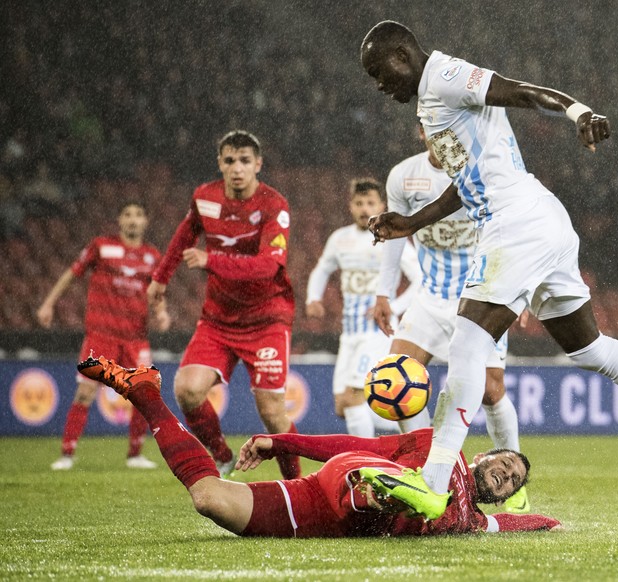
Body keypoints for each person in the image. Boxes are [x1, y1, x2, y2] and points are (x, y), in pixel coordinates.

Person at [360, 21, 618, 518]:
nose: (379, 85)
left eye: (379, 72)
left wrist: (579, 111)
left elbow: (521, 92)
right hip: (538, 220)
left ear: (402, 55)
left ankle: (432, 481)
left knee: (468, 341)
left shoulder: (443, 75)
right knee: (589, 348)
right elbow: (468, 181)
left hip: (516, 224)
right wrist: (412, 222)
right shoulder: (432, 105)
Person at [76, 354, 561, 537]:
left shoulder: (474, 521)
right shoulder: (442, 447)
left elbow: (523, 520)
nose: (506, 474)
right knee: (383, 490)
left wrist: (552, 521)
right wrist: (283, 439)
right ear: (483, 454)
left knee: (209, 498)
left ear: (500, 495)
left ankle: (143, 392)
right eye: (506, 462)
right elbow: (352, 440)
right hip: (350, 477)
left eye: (512, 480)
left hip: (320, 514)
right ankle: (387, 490)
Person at [373, 127, 529, 513]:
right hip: (430, 298)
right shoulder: (403, 176)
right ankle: (425, 470)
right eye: (430, 125)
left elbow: (516, 226)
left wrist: (522, 287)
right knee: (396, 378)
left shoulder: (484, 171)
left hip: (482, 296)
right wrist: (383, 291)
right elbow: (395, 235)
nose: (440, 133)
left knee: (492, 391)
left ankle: (517, 486)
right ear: (420, 130)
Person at [147, 130, 300, 479]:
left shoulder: (273, 205)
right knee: (187, 390)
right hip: (218, 320)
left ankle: (298, 484)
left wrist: (211, 259)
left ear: (258, 164)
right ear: (220, 163)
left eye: (245, 161)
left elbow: (268, 266)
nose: (237, 168)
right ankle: (221, 454)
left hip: (267, 319)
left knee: (272, 412)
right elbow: (185, 235)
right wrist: (160, 278)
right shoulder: (205, 197)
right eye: (229, 160)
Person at [37, 201, 170, 470]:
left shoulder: (153, 256)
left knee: (143, 394)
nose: (133, 220)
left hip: (136, 337)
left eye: (139, 215)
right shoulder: (101, 247)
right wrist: (48, 303)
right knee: (85, 392)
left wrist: (162, 312)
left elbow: (157, 292)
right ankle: (67, 454)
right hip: (101, 335)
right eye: (128, 214)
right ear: (119, 220)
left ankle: (135, 455)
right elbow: (71, 274)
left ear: (146, 222)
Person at [305, 177, 421, 437]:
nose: (364, 208)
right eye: (359, 203)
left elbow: (421, 279)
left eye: (370, 202)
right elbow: (322, 269)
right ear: (351, 206)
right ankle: (402, 430)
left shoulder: (393, 239)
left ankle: (365, 458)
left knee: (352, 397)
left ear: (382, 205)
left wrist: (394, 307)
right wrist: (313, 298)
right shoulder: (340, 239)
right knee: (342, 405)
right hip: (350, 333)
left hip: (377, 333)